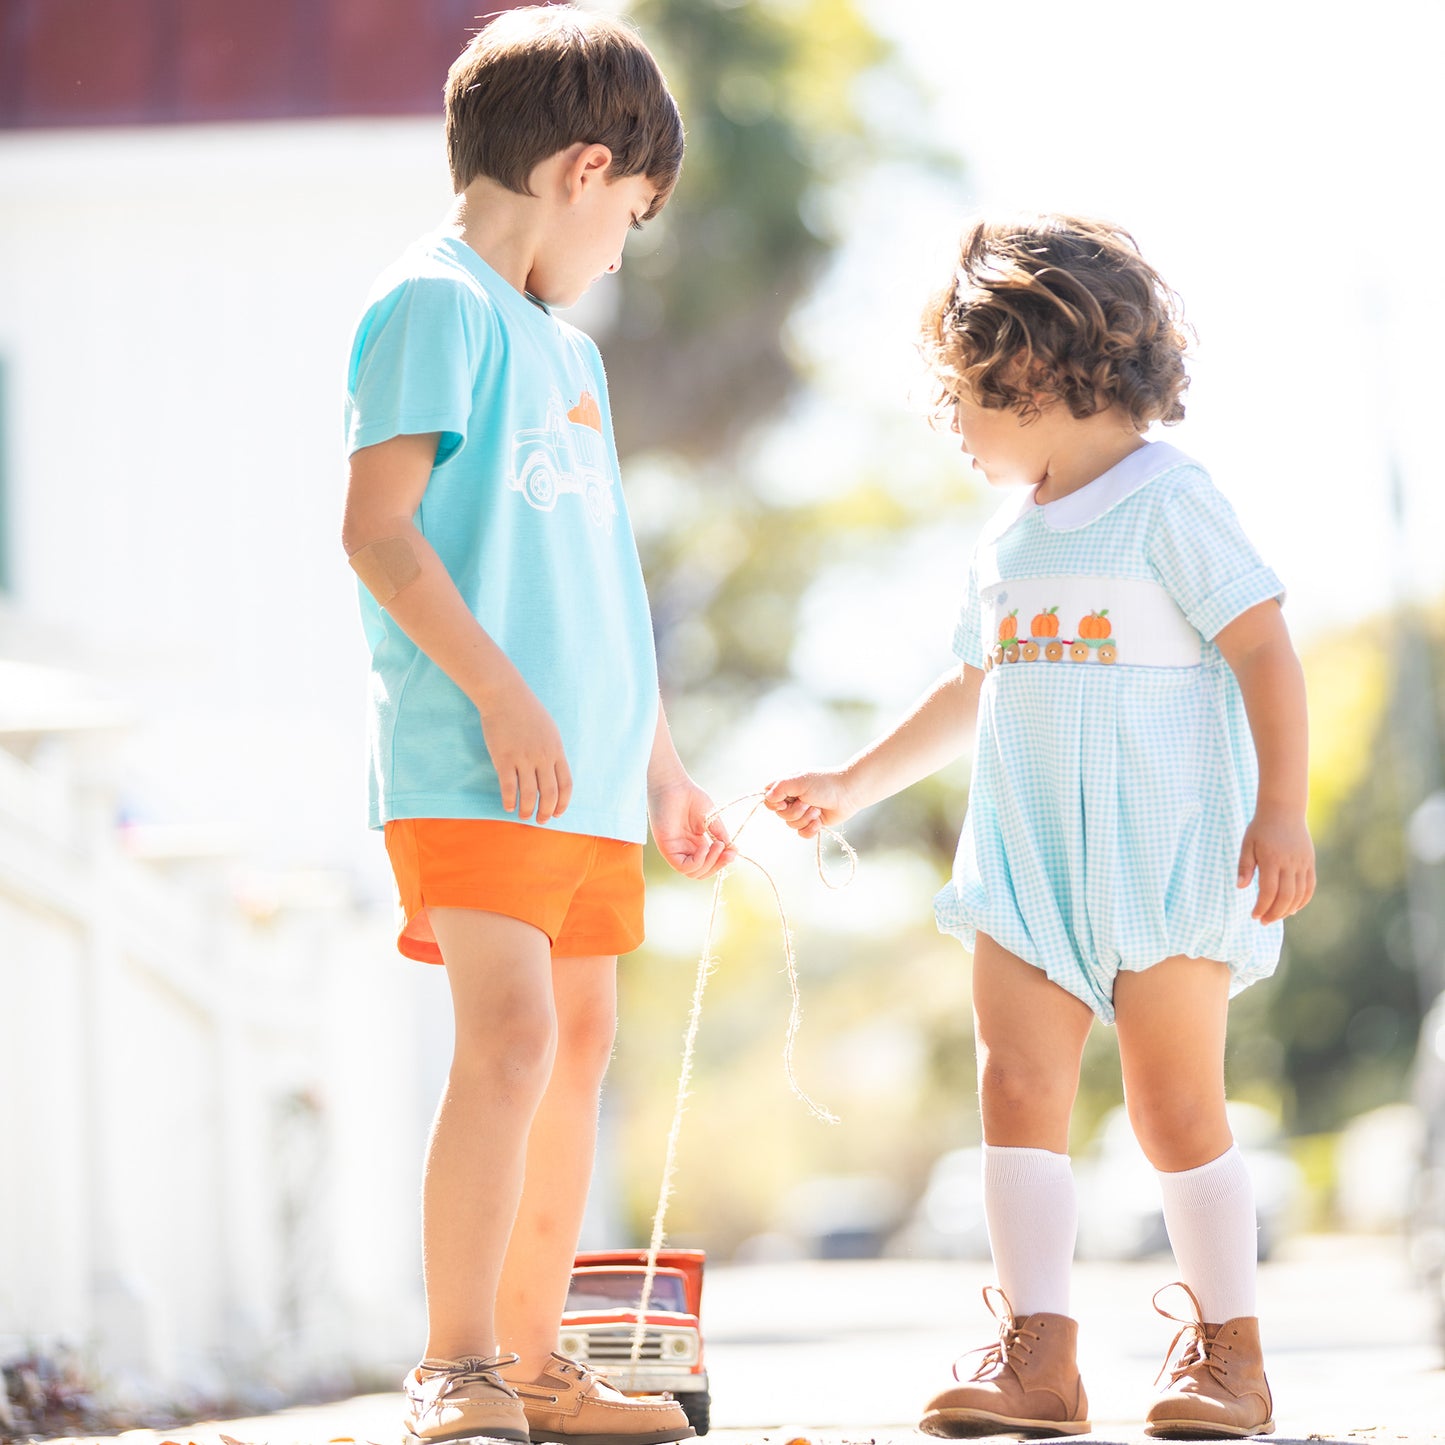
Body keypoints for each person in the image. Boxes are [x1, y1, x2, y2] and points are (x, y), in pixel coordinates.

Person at [766, 214, 1314, 1439]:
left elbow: (1264, 647)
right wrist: (851, 782)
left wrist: (1280, 808)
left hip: (1164, 861)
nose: (950, 424)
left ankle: (1228, 1351)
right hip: (1025, 867)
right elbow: (974, 688)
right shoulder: (1006, 542)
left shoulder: (1170, 499)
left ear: (1036, 368)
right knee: (1013, 1086)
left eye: (962, 397)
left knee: (1175, 1107)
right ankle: (1037, 1353)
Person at [341, 10, 733, 1445]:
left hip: (591, 785)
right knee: (506, 1040)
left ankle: (537, 1360)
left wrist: (665, 765)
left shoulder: (570, 354)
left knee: (571, 1049)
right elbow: (377, 532)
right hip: (474, 757)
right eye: (630, 216)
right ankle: (456, 1365)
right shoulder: (431, 301)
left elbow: (609, 584)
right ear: (585, 169)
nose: (623, 249)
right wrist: (503, 694)